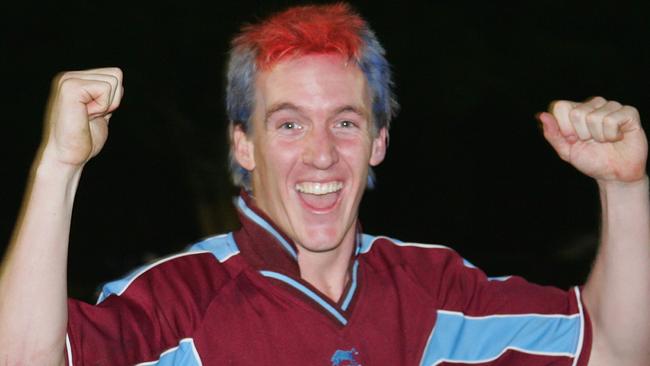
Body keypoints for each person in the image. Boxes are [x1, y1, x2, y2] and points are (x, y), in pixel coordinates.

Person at [0, 3, 648, 365]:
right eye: (288, 125)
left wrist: (625, 186)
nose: (320, 155)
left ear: (379, 141)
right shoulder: (179, 301)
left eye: (345, 121)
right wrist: (58, 166)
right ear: (243, 145)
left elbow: (617, 348)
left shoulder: (436, 289)